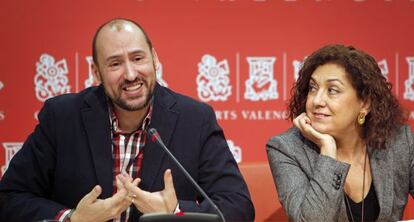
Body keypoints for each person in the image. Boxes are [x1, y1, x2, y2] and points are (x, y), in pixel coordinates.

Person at [0, 18, 255, 222]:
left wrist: (175, 210)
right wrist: (72, 219)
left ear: (154, 59)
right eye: (115, 64)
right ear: (97, 72)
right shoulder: (62, 117)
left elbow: (238, 206)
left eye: (137, 58)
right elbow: (9, 198)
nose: (131, 74)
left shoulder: (195, 119)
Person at [266, 44, 414, 221]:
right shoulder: (287, 149)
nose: (317, 100)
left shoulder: (398, 141)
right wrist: (328, 150)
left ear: (365, 104)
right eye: (313, 88)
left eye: (332, 90)